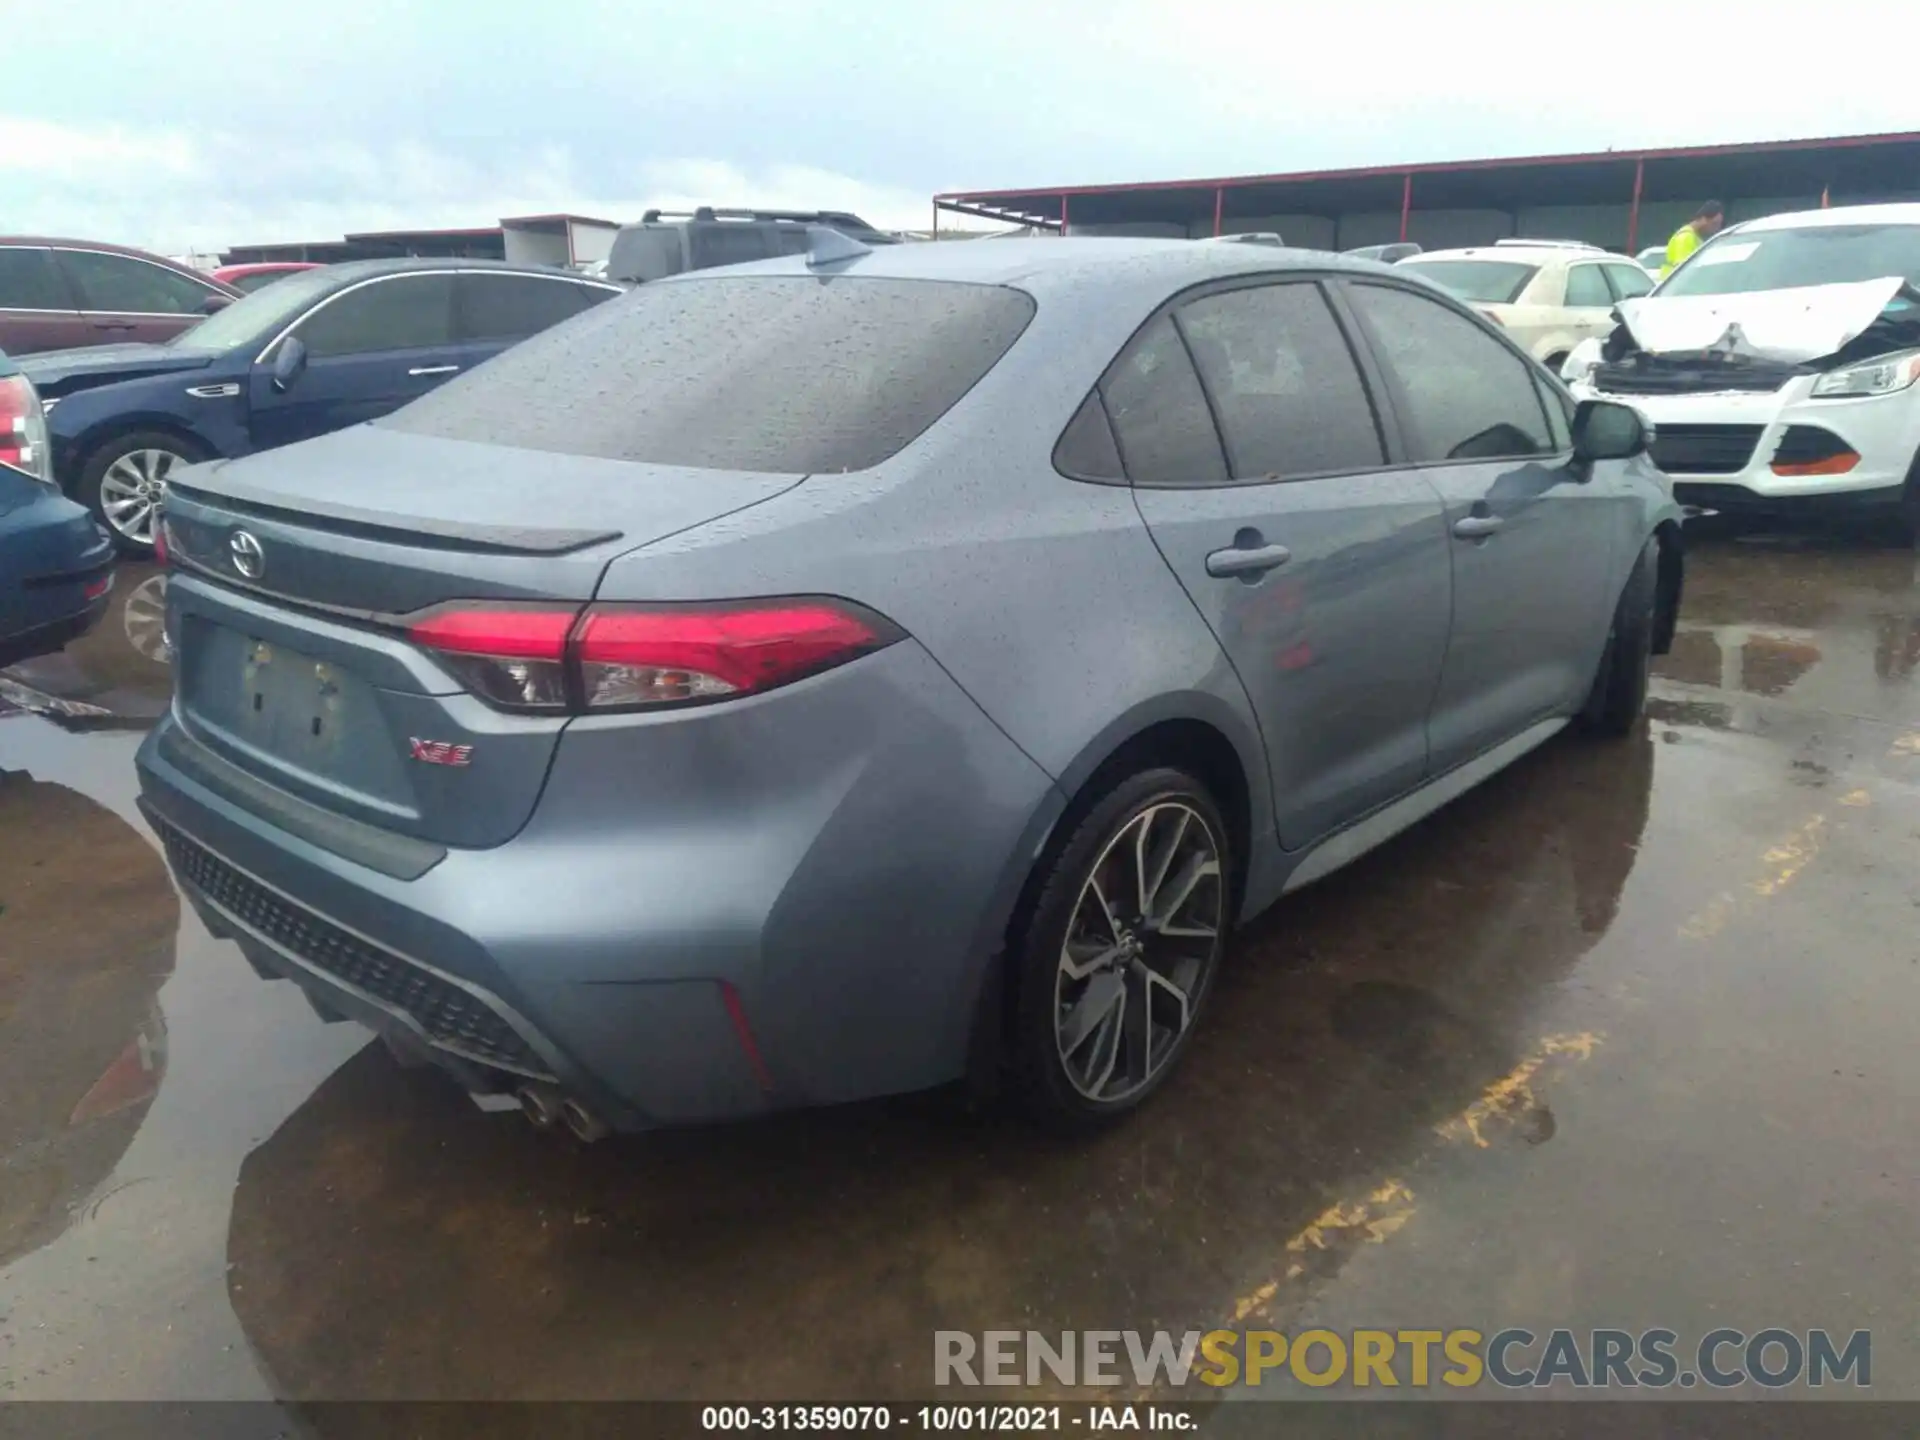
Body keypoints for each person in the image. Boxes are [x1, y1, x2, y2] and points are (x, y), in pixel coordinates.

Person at [1660, 199, 1725, 279]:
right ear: (1704, 219)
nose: (1717, 228)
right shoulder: (1685, 238)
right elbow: (1683, 272)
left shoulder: (1694, 237)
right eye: (1714, 224)